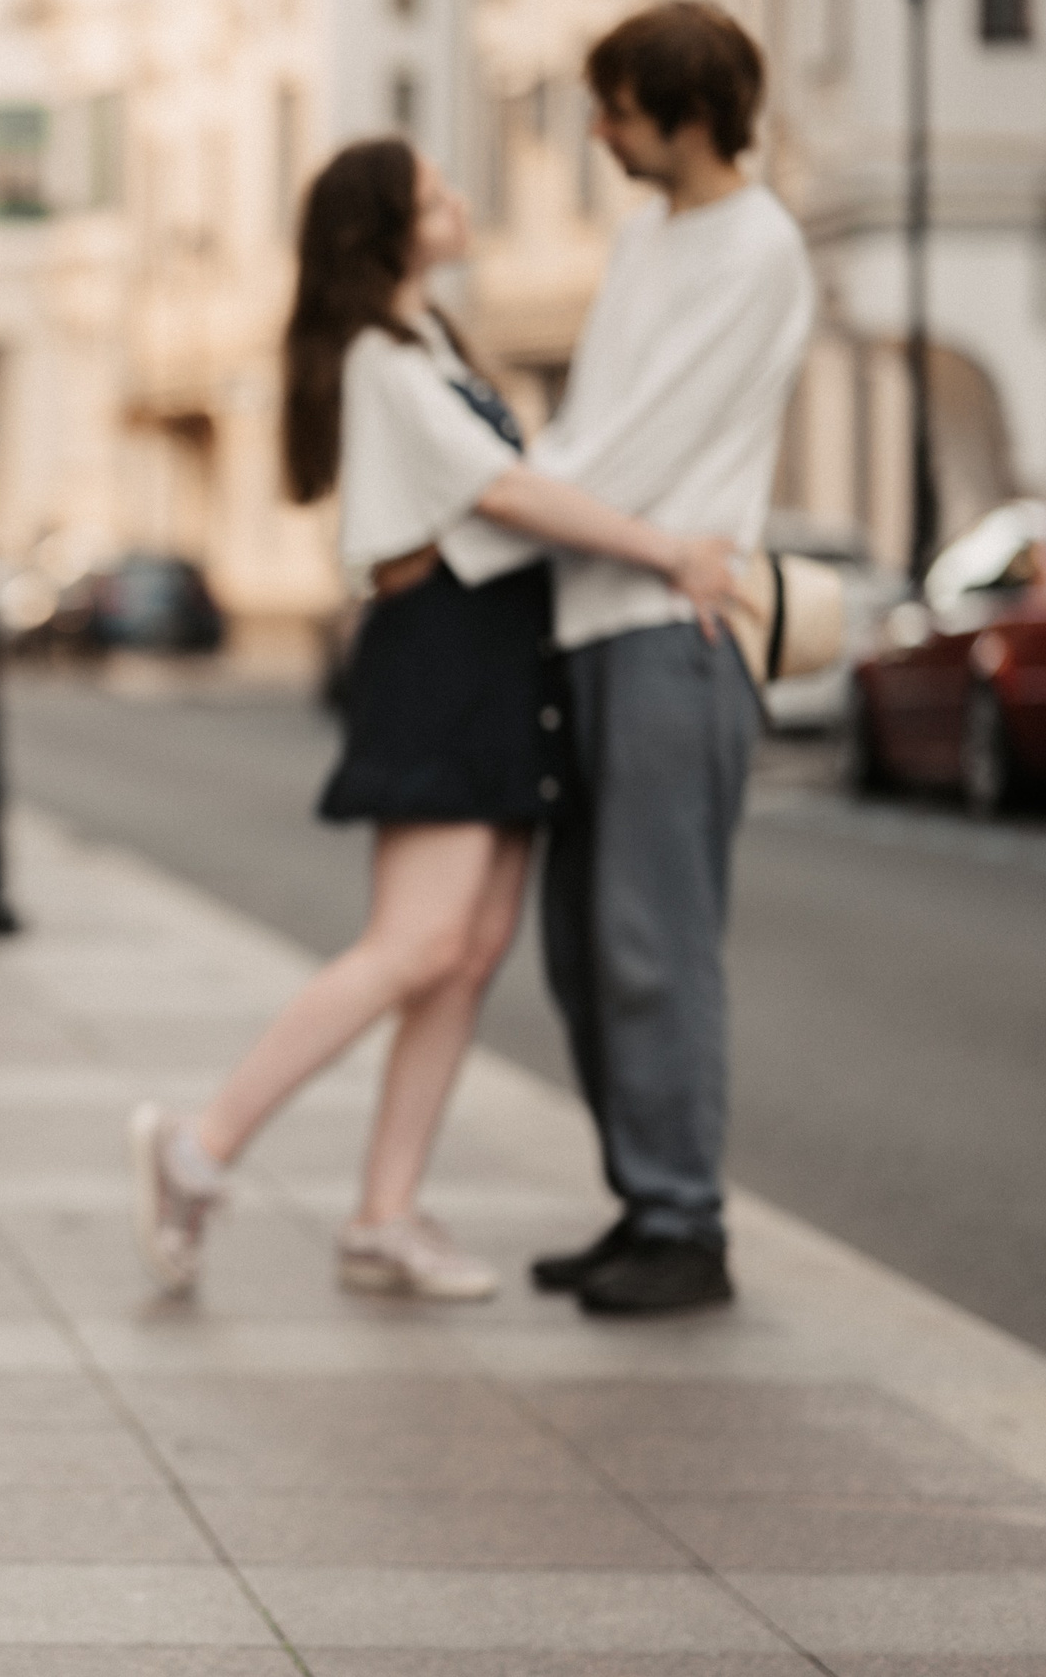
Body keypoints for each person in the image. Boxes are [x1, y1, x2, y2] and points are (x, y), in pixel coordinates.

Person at [129, 137, 733, 1301]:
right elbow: (502, 492)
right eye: (434, 195)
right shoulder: (378, 359)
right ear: (386, 230)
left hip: (494, 650)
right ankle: (198, 1148)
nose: (459, 202)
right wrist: (668, 548)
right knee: (412, 944)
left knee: (466, 951)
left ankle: (383, 1214)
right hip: (443, 653)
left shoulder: (428, 345)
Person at [518, 1, 814, 1316]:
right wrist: (539, 499)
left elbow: (635, 442)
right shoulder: (646, 236)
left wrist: (500, 498)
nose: (599, 130)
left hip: (673, 634)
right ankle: (646, 1196)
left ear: (688, 110)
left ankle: (686, 1222)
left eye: (617, 106)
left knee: (657, 937)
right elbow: (595, 425)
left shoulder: (761, 249)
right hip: (593, 612)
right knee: (582, 939)